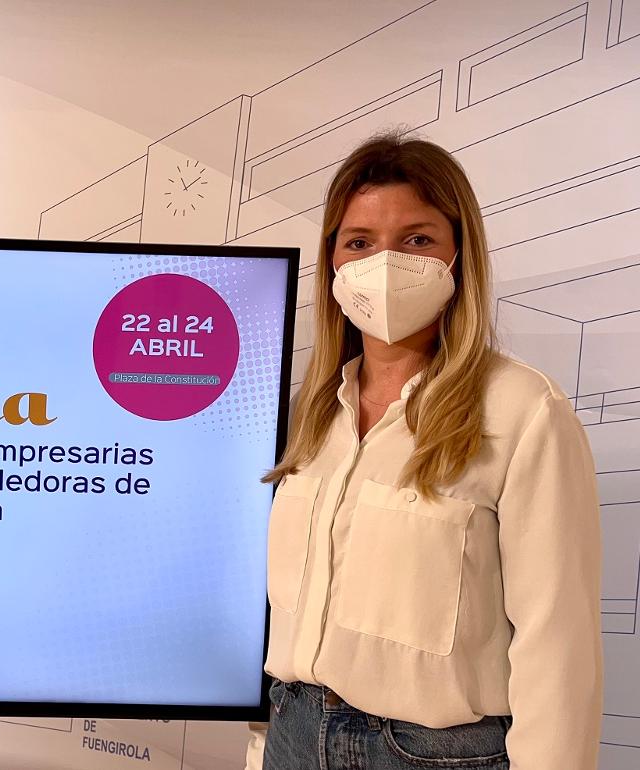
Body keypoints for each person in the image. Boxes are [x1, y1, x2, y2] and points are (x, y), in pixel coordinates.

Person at [246, 134, 602, 769]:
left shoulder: (522, 411)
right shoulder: (312, 414)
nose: (385, 264)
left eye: (416, 239)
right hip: (294, 730)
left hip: (428, 753)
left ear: (459, 255)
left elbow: (558, 642)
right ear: (332, 262)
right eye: (359, 242)